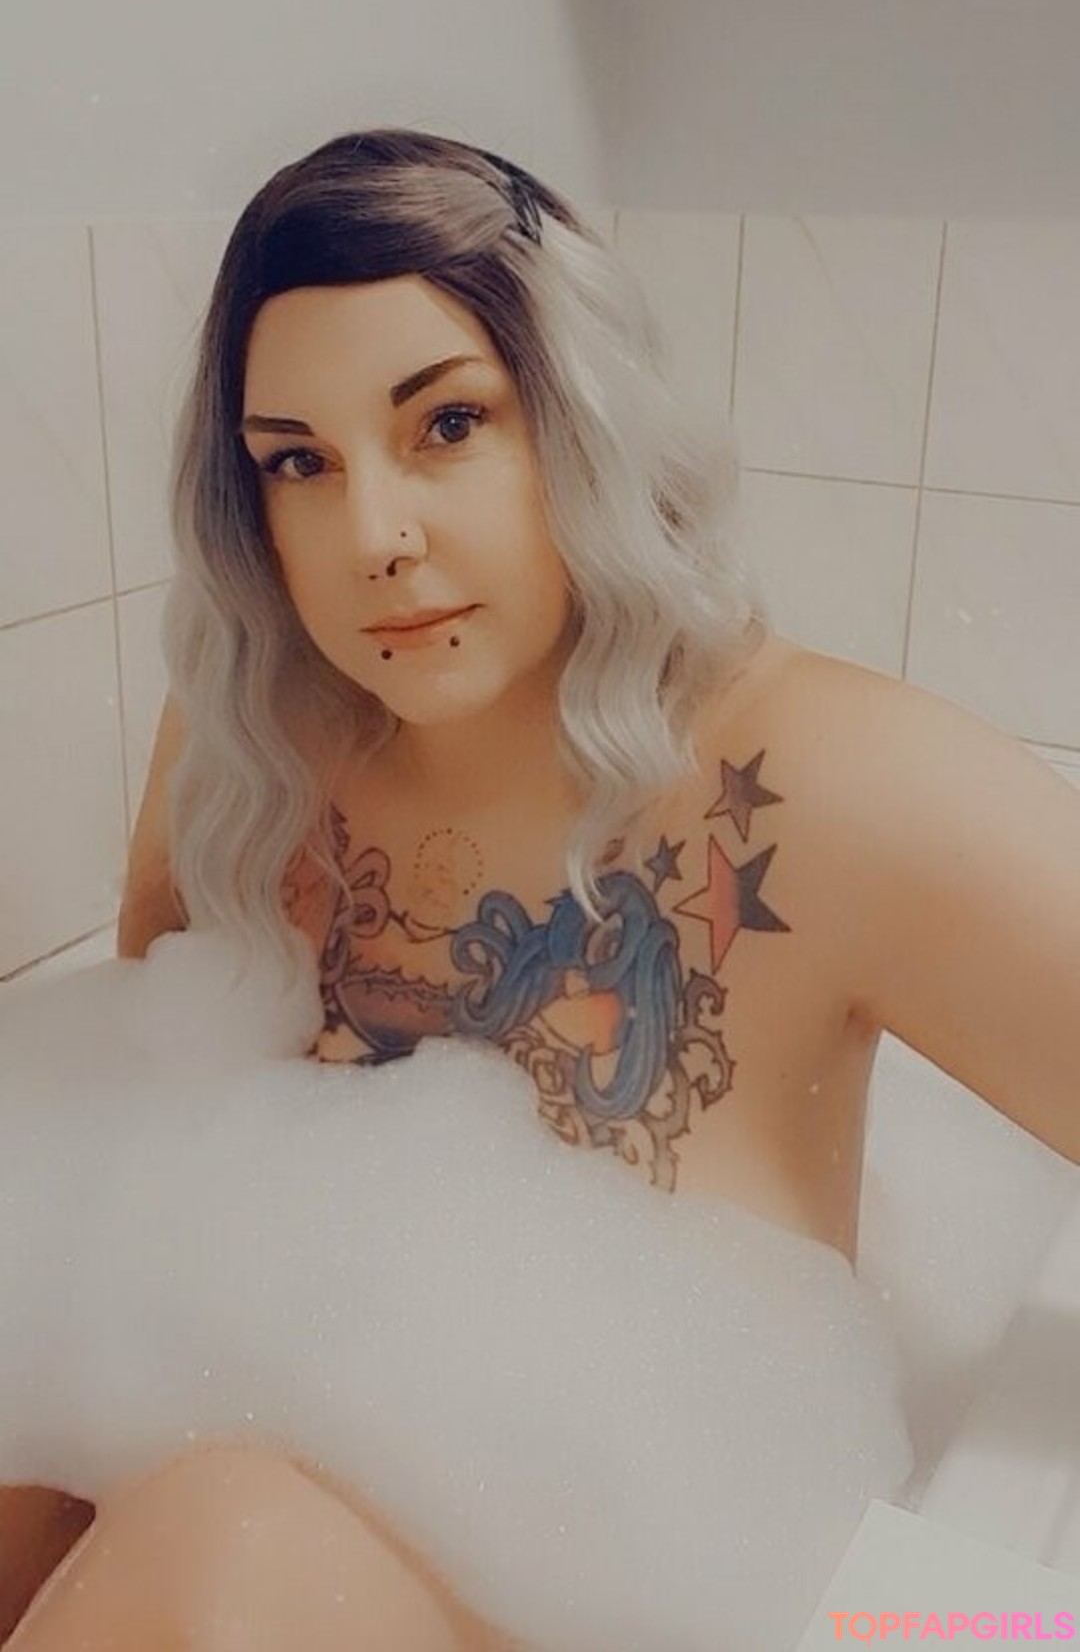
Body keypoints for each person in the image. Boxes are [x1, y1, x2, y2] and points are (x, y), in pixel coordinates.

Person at [2, 129, 1077, 1652]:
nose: (373, 538)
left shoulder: (836, 786)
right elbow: (133, 1140)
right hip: (259, 1456)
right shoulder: (255, 743)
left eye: (447, 423)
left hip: (638, 1565)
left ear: (584, 420)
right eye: (298, 460)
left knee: (223, 1547)